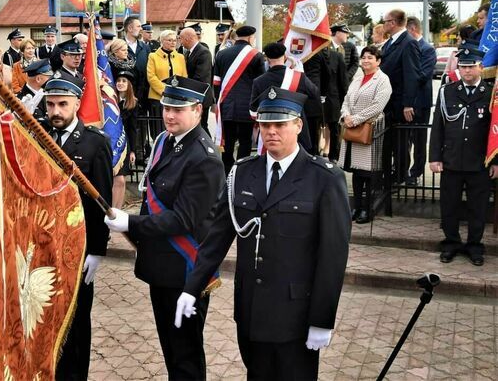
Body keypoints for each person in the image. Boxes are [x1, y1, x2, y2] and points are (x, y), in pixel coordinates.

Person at [174, 86, 351, 380]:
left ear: (298, 124)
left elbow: (333, 256)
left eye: (280, 124)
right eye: (265, 124)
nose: (271, 132)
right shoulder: (243, 171)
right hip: (251, 311)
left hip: (296, 314)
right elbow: (217, 238)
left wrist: (322, 318)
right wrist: (192, 287)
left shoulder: (324, 178)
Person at [104, 76, 225, 380]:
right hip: (162, 268)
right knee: (171, 350)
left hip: (185, 271)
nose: (169, 114)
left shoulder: (204, 157)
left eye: (178, 109)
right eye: (166, 107)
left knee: (186, 356)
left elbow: (183, 219)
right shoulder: (165, 142)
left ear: (198, 110)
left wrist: (130, 222)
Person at [43, 75, 113, 380]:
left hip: (79, 246)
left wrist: (97, 250)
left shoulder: (95, 142)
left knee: (76, 319)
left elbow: (102, 202)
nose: (55, 111)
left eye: (62, 104)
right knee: (47, 316)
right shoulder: (40, 135)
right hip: (44, 245)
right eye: (50, 104)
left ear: (75, 104)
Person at [429, 47, 498, 267]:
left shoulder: (491, 94)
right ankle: (451, 244)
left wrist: (495, 161)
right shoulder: (447, 91)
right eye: (463, 66)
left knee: (477, 208)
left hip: (480, 162)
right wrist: (434, 157)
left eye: (470, 67)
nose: (466, 71)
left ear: (480, 67)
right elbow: (438, 126)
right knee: (449, 206)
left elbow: (495, 131)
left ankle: (474, 246)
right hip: (451, 160)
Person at [339, 46, 392, 224]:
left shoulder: (382, 80)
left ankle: (367, 209)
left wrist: (355, 119)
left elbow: (378, 106)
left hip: (369, 128)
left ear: (378, 61)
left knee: (367, 172)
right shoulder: (357, 78)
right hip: (352, 127)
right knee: (355, 170)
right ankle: (357, 206)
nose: (366, 60)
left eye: (370, 57)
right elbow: (346, 99)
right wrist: (346, 115)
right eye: (364, 57)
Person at [250, 41, 320, 153]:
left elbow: (253, 113)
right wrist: (301, 73)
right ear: (285, 57)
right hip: (295, 130)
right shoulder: (298, 76)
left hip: (271, 133)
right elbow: (314, 93)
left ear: (267, 59)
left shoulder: (258, 81)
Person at [213, 25, 265, 173]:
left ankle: (227, 170)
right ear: (250, 37)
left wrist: (219, 101)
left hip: (226, 105)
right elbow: (260, 83)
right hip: (247, 106)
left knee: (228, 141)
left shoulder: (221, 54)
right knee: (245, 141)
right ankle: (242, 171)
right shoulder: (256, 55)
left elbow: (216, 82)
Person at [380, 9, 421, 183]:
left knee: (400, 143)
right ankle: (389, 175)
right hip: (387, 101)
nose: (383, 24)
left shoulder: (408, 43)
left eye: (385, 21)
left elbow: (412, 75)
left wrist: (408, 104)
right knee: (389, 142)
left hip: (399, 103)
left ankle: (399, 176)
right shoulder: (390, 42)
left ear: (393, 23)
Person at [405, 17, 436, 186]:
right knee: (404, 140)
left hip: (420, 103)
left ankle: (416, 173)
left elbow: (423, 75)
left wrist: (405, 80)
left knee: (419, 140)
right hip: (405, 103)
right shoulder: (406, 47)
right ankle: (402, 171)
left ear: (413, 29)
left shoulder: (428, 49)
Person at [311, 45, 348, 163]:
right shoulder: (310, 56)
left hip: (333, 98)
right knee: (314, 128)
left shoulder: (337, 56)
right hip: (315, 98)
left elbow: (343, 80)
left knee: (334, 128)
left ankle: (334, 156)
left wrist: (344, 99)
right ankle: (314, 154)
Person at [147, 30, 188, 136]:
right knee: (158, 130)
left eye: (175, 40)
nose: (173, 43)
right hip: (157, 98)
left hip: (175, 98)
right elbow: (151, 77)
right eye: (169, 40)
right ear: (162, 41)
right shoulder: (153, 56)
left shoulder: (180, 57)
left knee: (175, 128)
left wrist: (177, 92)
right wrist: (165, 91)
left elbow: (184, 77)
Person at [179, 27, 214, 135]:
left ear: (188, 38)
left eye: (181, 38)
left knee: (201, 126)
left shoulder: (203, 53)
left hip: (201, 96)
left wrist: (182, 83)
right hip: (194, 96)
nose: (180, 42)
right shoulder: (190, 52)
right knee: (195, 126)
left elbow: (200, 77)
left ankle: (209, 149)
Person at [112, 70, 138, 208]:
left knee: (121, 180)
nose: (120, 84)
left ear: (129, 85)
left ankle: (117, 211)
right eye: (118, 81)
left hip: (123, 145)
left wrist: (133, 150)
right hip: (109, 144)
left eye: (124, 81)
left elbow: (133, 129)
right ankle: (108, 209)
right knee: (111, 179)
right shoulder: (109, 100)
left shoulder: (133, 103)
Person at [124, 17, 151, 102]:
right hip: (126, 93)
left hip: (143, 95)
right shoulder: (119, 46)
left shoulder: (145, 48)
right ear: (130, 28)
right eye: (138, 26)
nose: (141, 29)